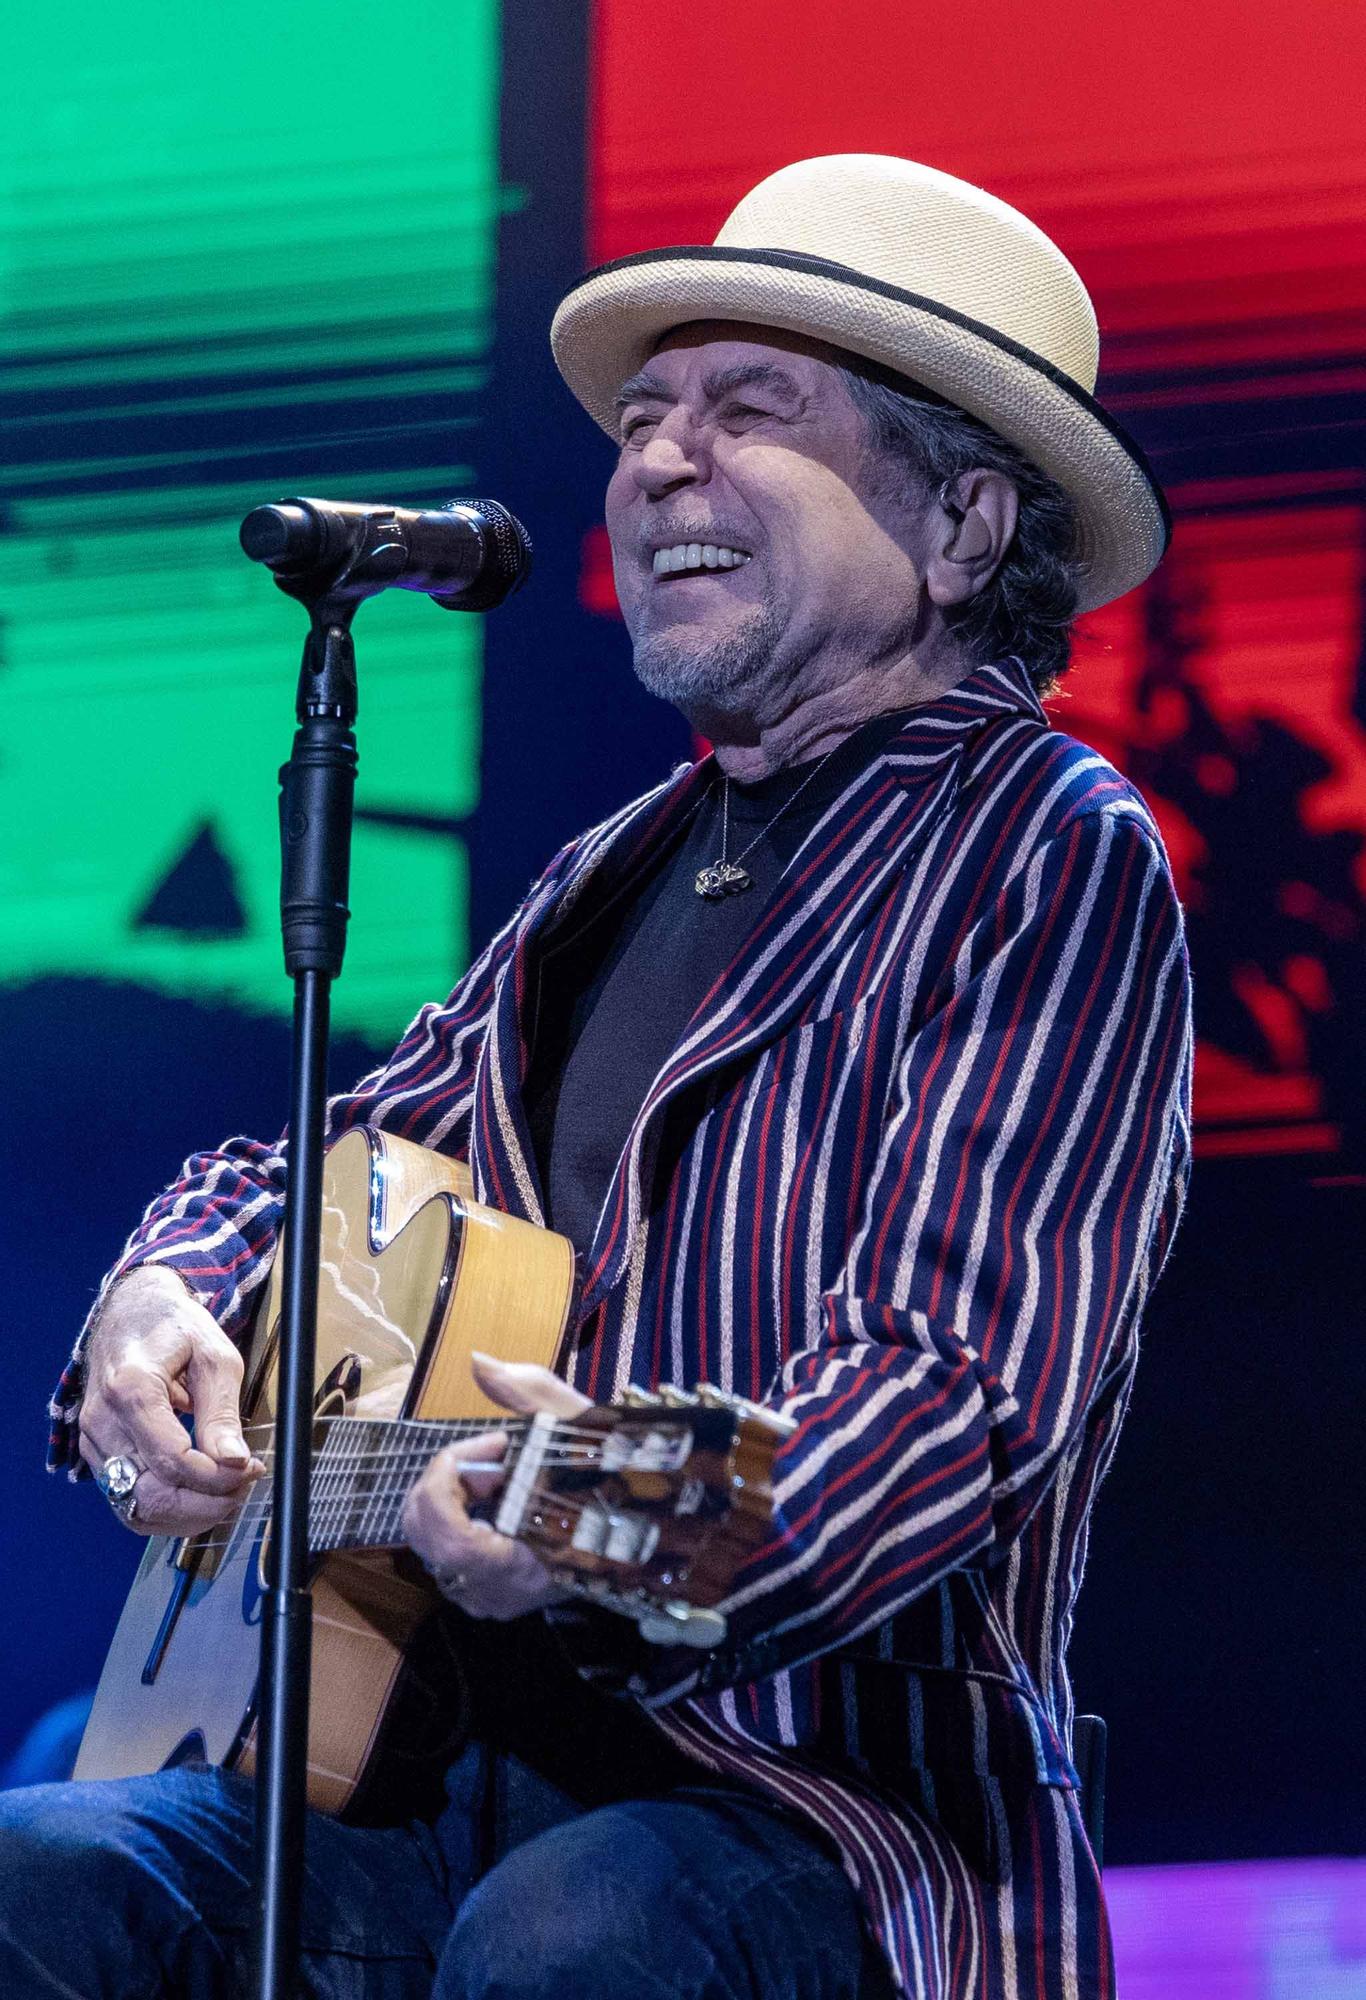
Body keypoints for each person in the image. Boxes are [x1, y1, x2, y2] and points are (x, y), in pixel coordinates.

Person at [9, 155, 1190, 1999]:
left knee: (580, 1931)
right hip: (431, 1783)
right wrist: (160, 1294)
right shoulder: (609, 873)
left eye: (750, 412)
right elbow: (340, 1168)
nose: (654, 464)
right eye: (643, 420)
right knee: (47, 1865)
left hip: (810, 1809)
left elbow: (952, 1396)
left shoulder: (1043, 845)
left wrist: (582, 1513)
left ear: (961, 527)